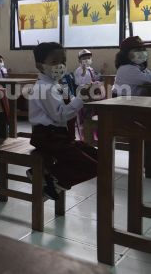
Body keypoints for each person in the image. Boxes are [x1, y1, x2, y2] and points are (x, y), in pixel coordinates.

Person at [28, 42, 97, 200]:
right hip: (48, 138)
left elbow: (72, 104)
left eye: (63, 61)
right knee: (93, 166)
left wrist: (83, 95)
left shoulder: (58, 86)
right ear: (40, 66)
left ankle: (49, 176)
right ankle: (52, 181)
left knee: (98, 156)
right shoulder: (43, 88)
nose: (60, 66)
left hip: (62, 137)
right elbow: (60, 115)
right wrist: (80, 99)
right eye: (54, 62)